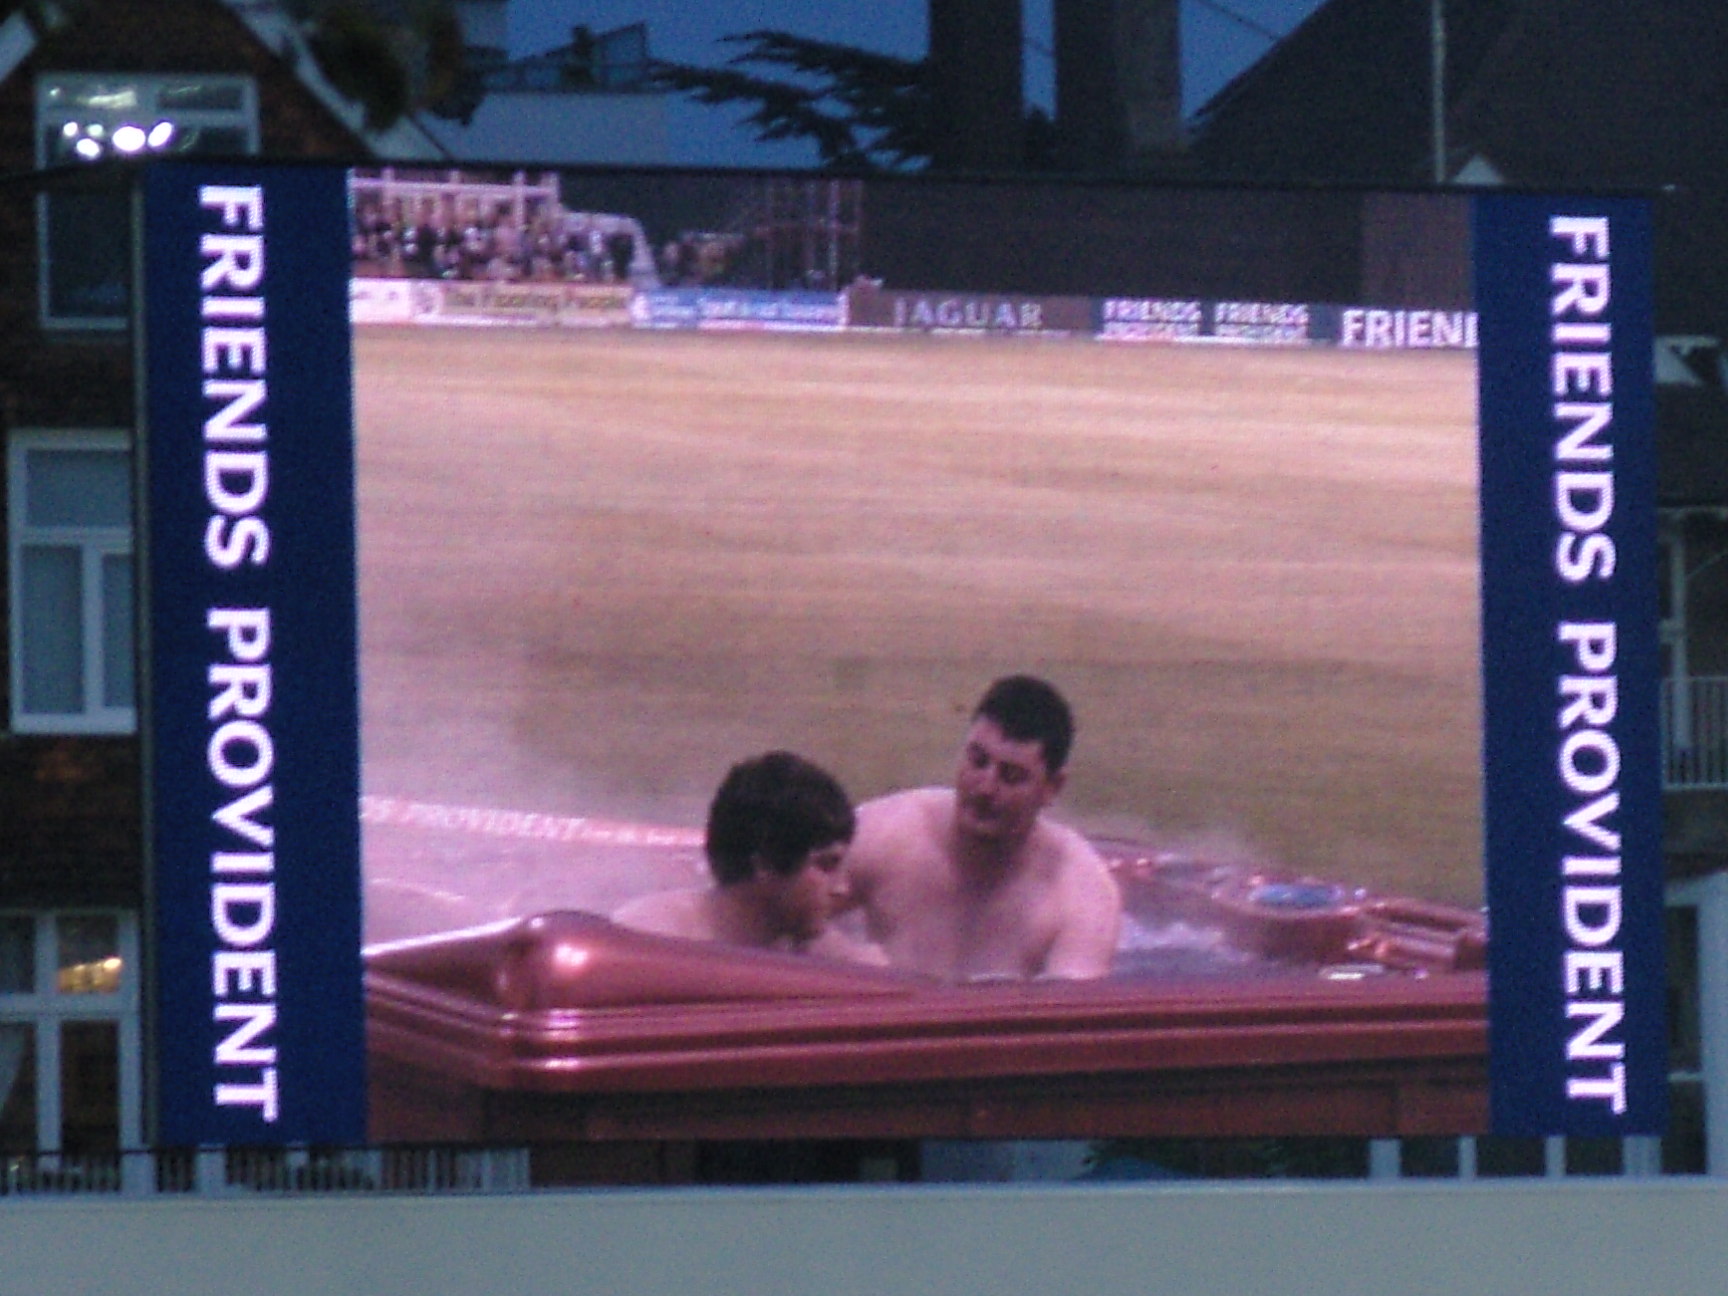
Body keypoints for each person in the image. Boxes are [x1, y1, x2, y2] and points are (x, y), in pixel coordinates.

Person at [840, 676, 1121, 981]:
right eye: (977, 761)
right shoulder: (888, 833)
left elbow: (1069, 1006)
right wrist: (848, 957)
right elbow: (797, 907)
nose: (986, 788)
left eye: (1011, 776)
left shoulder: (1081, 893)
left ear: (1052, 787)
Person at [612, 751, 885, 964]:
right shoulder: (647, 942)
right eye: (826, 865)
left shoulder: (819, 951)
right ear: (766, 862)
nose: (842, 887)